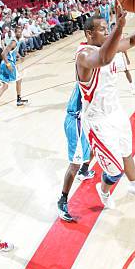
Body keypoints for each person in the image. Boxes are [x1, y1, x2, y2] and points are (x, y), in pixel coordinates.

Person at [75, 2, 135, 209]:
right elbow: (104, 58)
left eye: (108, 28)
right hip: (97, 120)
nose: (107, 32)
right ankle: (103, 190)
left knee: (127, 153)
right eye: (102, 29)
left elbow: (131, 41)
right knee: (115, 171)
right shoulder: (83, 55)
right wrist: (119, 27)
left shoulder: (108, 45)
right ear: (89, 33)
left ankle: (134, 185)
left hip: (116, 112)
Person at [58, 83, 95, 222]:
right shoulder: (86, 72)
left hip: (85, 120)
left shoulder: (96, 73)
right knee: (75, 164)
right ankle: (62, 200)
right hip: (76, 122)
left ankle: (84, 171)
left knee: (96, 145)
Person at [0, 27, 29, 117]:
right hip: (8, 64)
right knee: (19, 80)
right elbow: (3, 54)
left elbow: (13, 51)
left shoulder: (16, 42)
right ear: (15, 33)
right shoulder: (13, 42)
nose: (19, 33)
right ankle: (18, 100)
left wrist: (19, 56)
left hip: (4, 64)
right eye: (18, 32)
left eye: (20, 32)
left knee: (5, 86)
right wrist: (8, 65)